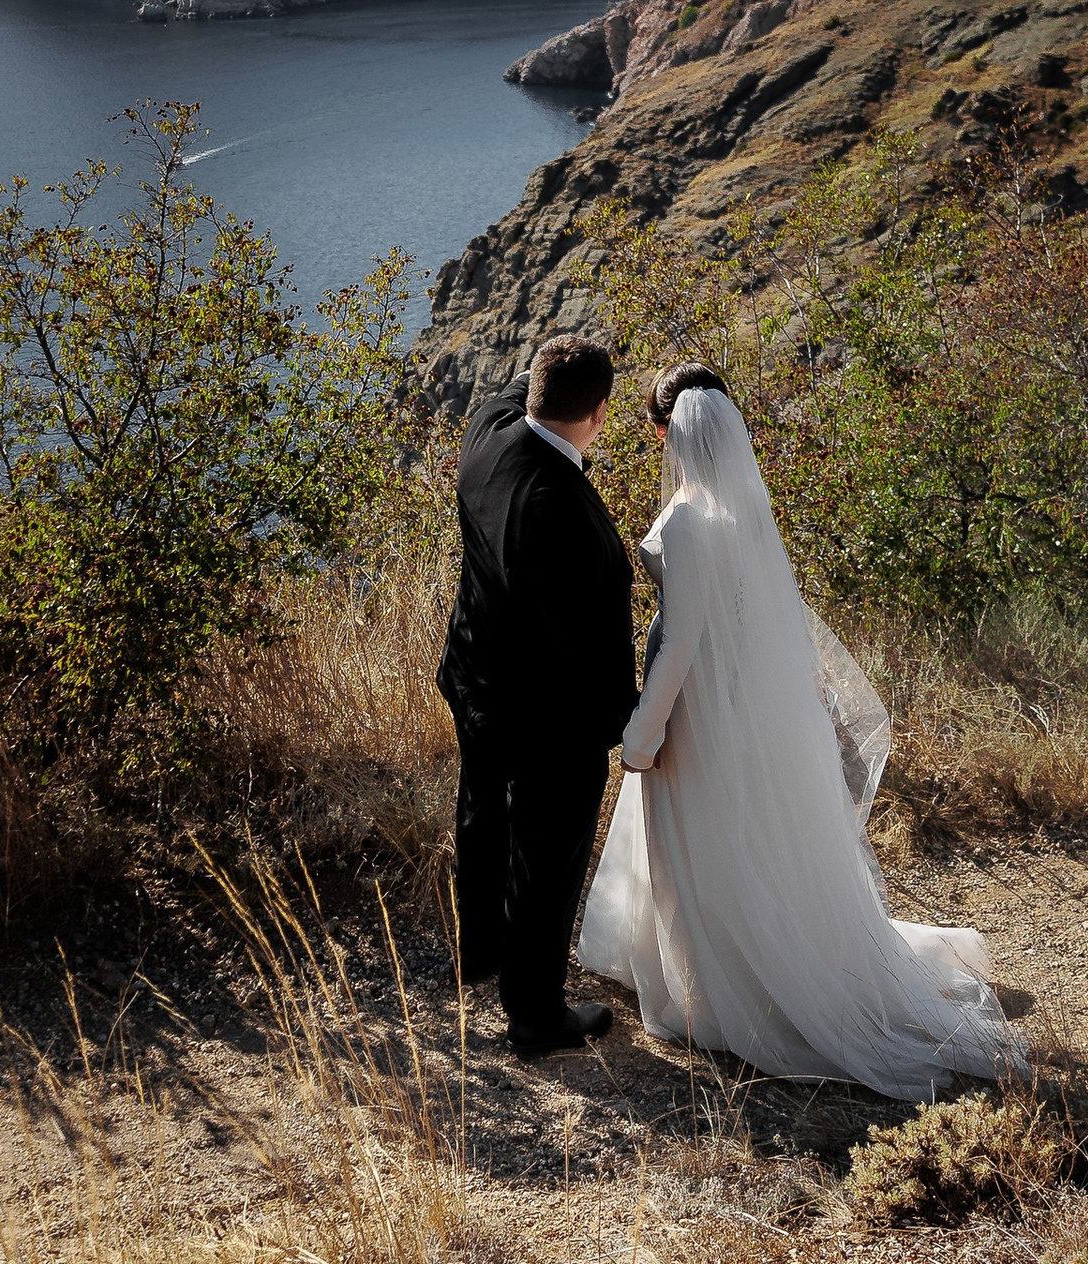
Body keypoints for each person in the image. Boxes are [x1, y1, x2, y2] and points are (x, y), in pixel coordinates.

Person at [578, 373, 1019, 1099]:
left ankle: (717, 993)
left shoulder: (686, 520)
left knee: (700, 841)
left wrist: (641, 732)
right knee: (747, 839)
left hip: (695, 710)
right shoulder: (746, 508)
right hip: (749, 702)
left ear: (664, 432)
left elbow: (682, 640)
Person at [436, 333, 637, 1058]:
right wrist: (623, 722)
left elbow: (504, 391)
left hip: (474, 680)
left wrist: (543, 370)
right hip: (546, 717)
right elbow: (589, 647)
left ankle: (481, 953)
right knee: (548, 857)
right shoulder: (569, 516)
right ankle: (535, 1016)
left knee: (484, 816)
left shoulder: (486, 440)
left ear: (531, 396)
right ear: (601, 413)